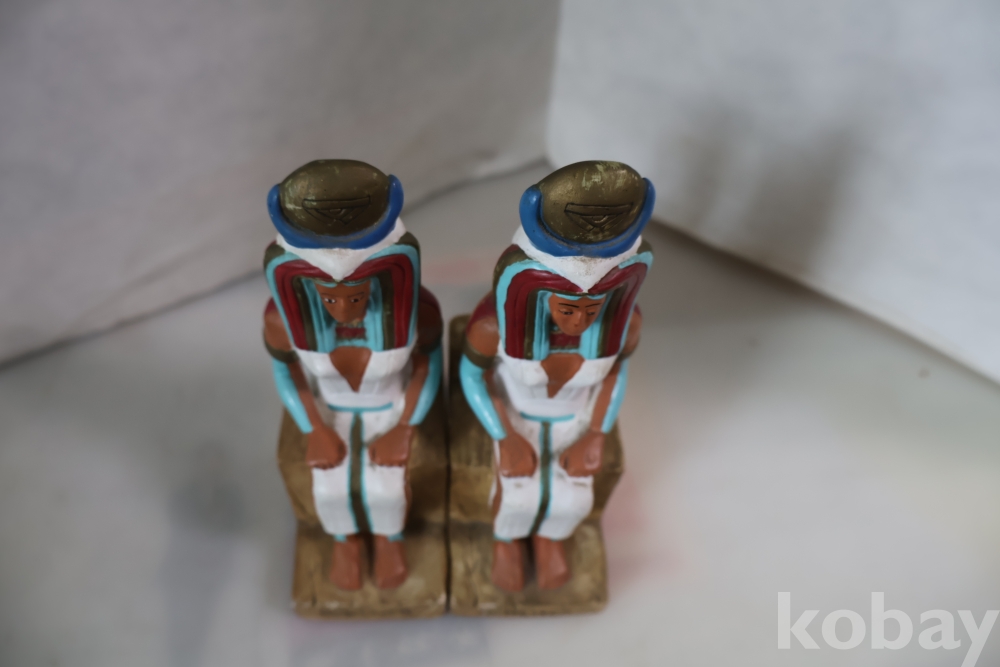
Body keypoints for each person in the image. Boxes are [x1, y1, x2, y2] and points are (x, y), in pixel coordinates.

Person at [460, 161, 654, 591]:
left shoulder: (626, 325)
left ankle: (551, 539)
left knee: (574, 496)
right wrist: (504, 434)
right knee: (516, 491)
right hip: (515, 414)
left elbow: (614, 373)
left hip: (575, 419)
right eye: (567, 308)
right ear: (538, 294)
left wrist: (596, 434)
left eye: (592, 308)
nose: (580, 321)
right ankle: (507, 541)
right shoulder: (492, 326)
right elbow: (472, 377)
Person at [262, 160, 442, 590]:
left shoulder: (419, 311)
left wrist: (405, 426)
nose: (345, 309)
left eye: (357, 296)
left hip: (390, 406)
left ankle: (388, 537)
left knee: (387, 487)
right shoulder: (280, 320)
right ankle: (345, 540)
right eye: (331, 299)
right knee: (329, 488)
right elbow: (286, 370)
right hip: (330, 409)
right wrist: (314, 427)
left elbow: (427, 364)